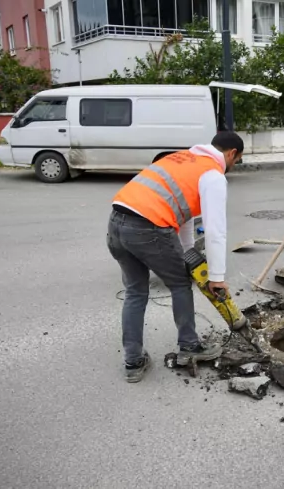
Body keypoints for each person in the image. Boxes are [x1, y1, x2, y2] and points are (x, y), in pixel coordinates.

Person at [106, 132, 244, 383]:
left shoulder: (182, 158)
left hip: (116, 222)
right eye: (237, 160)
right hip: (149, 227)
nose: (234, 166)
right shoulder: (213, 175)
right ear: (232, 154)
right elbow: (215, 230)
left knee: (136, 292)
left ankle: (133, 361)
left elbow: (186, 210)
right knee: (180, 284)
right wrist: (216, 277)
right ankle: (189, 346)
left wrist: (188, 250)